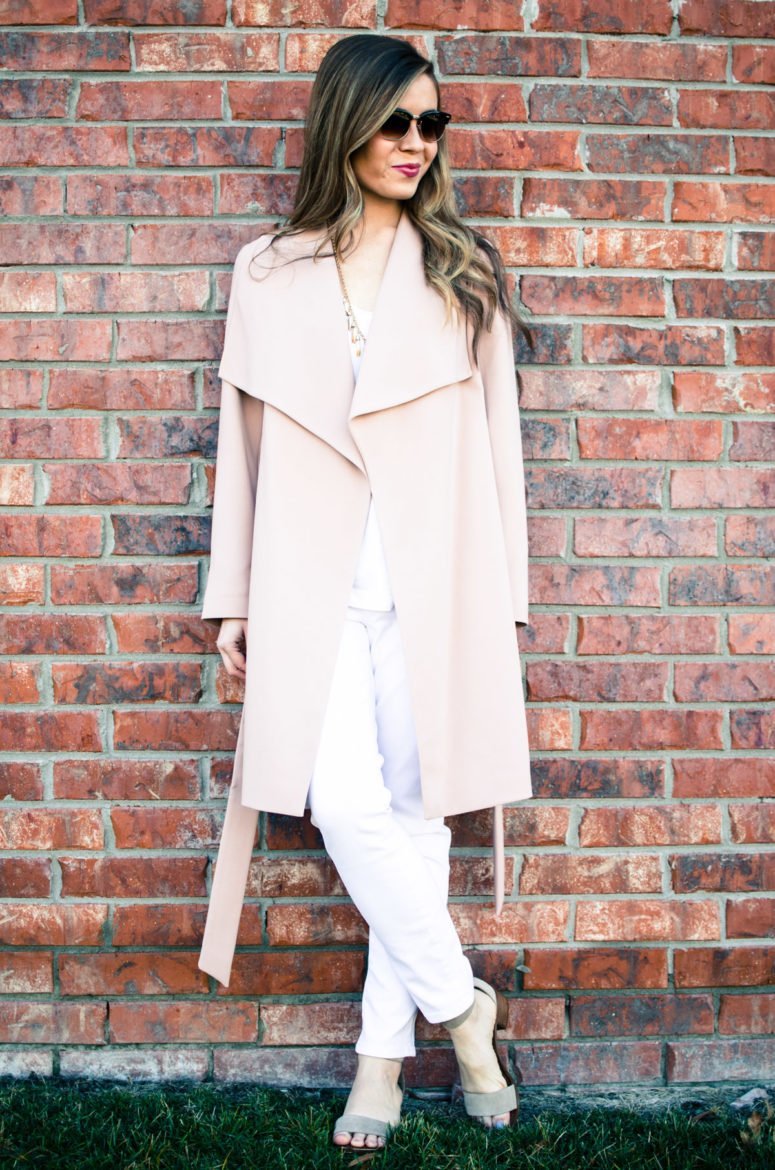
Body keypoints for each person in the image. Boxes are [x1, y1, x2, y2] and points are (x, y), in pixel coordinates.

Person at [199, 32, 533, 1152]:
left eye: (430, 124)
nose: (414, 144)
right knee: (344, 805)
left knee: (417, 821)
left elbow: (499, 447)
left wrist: (509, 599)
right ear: (344, 123)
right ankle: (464, 1011)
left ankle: (381, 1063)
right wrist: (232, 596)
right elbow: (238, 447)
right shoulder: (267, 271)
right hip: (309, 588)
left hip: (436, 587)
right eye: (396, 121)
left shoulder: (460, 270)